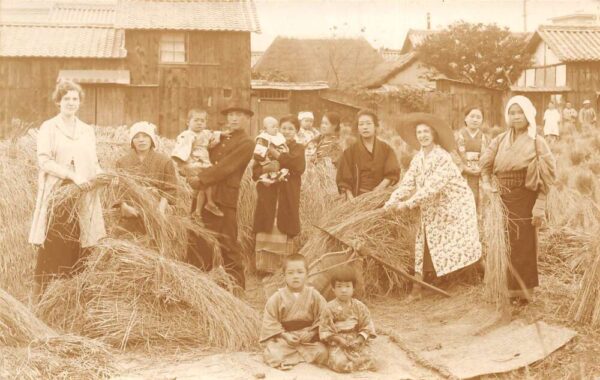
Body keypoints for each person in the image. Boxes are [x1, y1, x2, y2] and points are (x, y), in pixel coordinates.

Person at [383, 113, 481, 300]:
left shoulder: (443, 157)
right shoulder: (418, 158)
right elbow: (407, 183)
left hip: (455, 205)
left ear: (434, 135)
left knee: (465, 242)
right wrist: (391, 202)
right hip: (433, 207)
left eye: (426, 132)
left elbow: (432, 187)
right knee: (424, 242)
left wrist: (407, 204)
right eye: (419, 132)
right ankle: (418, 288)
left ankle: (482, 272)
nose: (422, 135)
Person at [29, 79, 105, 299]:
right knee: (57, 240)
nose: (71, 103)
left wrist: (102, 175)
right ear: (58, 101)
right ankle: (47, 293)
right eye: (66, 99)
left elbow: (93, 161)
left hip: (83, 193)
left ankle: (73, 293)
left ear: (80, 102)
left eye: (75, 99)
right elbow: (44, 161)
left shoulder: (86, 130)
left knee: (82, 238)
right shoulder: (49, 127)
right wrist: (72, 176)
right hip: (60, 193)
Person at [480, 95, 556, 305]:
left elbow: (547, 177)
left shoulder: (537, 141)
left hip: (525, 197)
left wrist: (539, 206)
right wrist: (487, 184)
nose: (516, 117)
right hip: (501, 198)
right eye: (512, 113)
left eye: (520, 112)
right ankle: (505, 288)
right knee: (503, 243)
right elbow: (485, 164)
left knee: (523, 243)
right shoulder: (499, 140)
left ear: (528, 114)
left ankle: (524, 292)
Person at [186, 104, 254, 290]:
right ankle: (199, 284)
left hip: (224, 197)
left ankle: (236, 286)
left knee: (227, 242)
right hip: (203, 196)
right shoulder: (218, 138)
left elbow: (226, 167)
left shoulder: (247, 143)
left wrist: (200, 179)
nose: (233, 118)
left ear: (247, 119)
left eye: (239, 115)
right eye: (231, 115)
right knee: (197, 237)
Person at [253, 115, 306, 271]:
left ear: (296, 131)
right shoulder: (265, 142)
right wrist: (265, 169)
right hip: (268, 191)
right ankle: (263, 267)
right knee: (266, 222)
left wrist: (275, 154)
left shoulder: (298, 148)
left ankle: (284, 268)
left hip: (287, 191)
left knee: (284, 223)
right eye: (283, 128)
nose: (287, 131)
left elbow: (297, 165)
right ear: (278, 129)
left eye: (291, 129)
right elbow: (255, 170)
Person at [259, 254, 329, 370]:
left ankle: (293, 359)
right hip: (286, 340)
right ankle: (302, 358)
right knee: (274, 355)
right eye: (290, 273)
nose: (295, 276)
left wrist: (312, 333)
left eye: (300, 272)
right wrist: (285, 336)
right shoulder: (277, 298)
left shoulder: (314, 295)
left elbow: (325, 316)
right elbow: (270, 321)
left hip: (308, 340)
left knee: (323, 353)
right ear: (284, 275)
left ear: (307, 274)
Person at [115, 121, 178, 234]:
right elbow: (118, 189)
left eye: (145, 136)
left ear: (152, 139)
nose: (141, 140)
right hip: (131, 210)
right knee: (122, 239)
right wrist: (124, 207)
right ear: (132, 141)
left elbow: (170, 189)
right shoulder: (122, 162)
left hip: (157, 208)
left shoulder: (165, 161)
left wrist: (160, 210)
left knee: (157, 239)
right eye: (136, 137)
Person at [319, 267, 377, 373]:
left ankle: (353, 365)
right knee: (339, 363)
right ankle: (349, 365)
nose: (343, 290)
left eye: (347, 286)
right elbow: (325, 330)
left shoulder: (359, 306)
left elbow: (367, 325)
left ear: (353, 288)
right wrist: (339, 340)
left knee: (372, 359)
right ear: (333, 288)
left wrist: (359, 340)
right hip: (338, 343)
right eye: (339, 286)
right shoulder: (329, 308)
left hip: (356, 341)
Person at [171, 109, 226, 217]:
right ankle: (209, 203)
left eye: (202, 121)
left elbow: (213, 134)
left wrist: (222, 133)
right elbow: (181, 150)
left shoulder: (205, 133)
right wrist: (181, 165)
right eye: (196, 120)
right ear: (188, 122)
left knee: (204, 187)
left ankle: (198, 211)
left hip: (204, 163)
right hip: (193, 164)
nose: (199, 123)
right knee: (204, 182)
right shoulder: (187, 135)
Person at [336, 109, 400, 200]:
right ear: (358, 128)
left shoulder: (386, 149)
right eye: (361, 124)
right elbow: (344, 179)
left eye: (368, 123)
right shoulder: (349, 152)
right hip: (358, 197)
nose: (365, 127)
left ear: (375, 126)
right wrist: (350, 197)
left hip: (380, 196)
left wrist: (380, 188)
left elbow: (392, 173)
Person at [455, 106, 489, 210]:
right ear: (465, 118)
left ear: (482, 120)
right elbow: (452, 155)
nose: (475, 119)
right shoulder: (456, 137)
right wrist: (464, 168)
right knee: (462, 205)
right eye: (472, 116)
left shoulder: (486, 138)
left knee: (479, 204)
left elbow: (489, 157)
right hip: (462, 175)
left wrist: (482, 168)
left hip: (480, 175)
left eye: (478, 117)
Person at [253, 116, 290, 184]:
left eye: (277, 127)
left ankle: (277, 176)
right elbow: (258, 153)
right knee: (269, 168)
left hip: (278, 160)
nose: (276, 129)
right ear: (265, 128)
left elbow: (284, 147)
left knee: (281, 170)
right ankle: (266, 178)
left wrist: (283, 150)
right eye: (273, 127)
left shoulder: (278, 137)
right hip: (265, 161)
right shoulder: (263, 138)